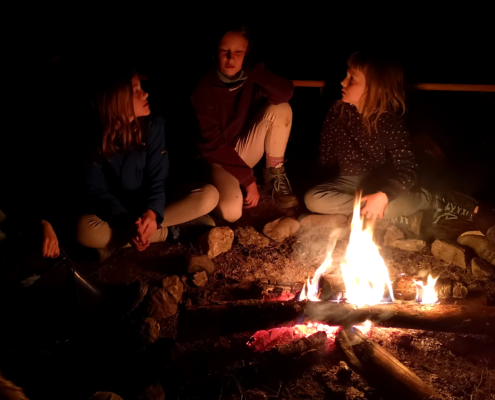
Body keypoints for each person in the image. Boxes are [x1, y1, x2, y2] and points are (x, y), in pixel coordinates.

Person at [304, 51, 495, 263]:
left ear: (374, 88)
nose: (342, 81)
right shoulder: (337, 112)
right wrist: (318, 175)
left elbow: (407, 168)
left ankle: (437, 199)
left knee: (385, 206)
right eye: (346, 75)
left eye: (352, 78)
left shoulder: (388, 122)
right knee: (312, 199)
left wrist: (384, 195)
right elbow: (326, 156)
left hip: (381, 183)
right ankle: (390, 212)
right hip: (350, 180)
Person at [76, 67, 219, 259]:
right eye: (135, 91)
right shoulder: (93, 139)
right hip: (119, 215)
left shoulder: (153, 127)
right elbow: (96, 190)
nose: (145, 93)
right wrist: (127, 223)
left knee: (209, 195)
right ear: (116, 100)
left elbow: (158, 179)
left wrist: (152, 213)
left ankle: (116, 243)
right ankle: (170, 232)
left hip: (154, 208)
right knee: (83, 230)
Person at [191, 24, 298, 223]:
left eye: (238, 52)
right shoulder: (205, 88)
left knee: (281, 107)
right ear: (216, 51)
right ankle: (202, 203)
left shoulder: (251, 78)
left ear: (247, 53)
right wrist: (248, 180)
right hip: (216, 159)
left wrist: (253, 71)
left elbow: (285, 92)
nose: (231, 58)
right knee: (232, 212)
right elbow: (213, 145)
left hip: (241, 149)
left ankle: (274, 176)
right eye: (225, 51)